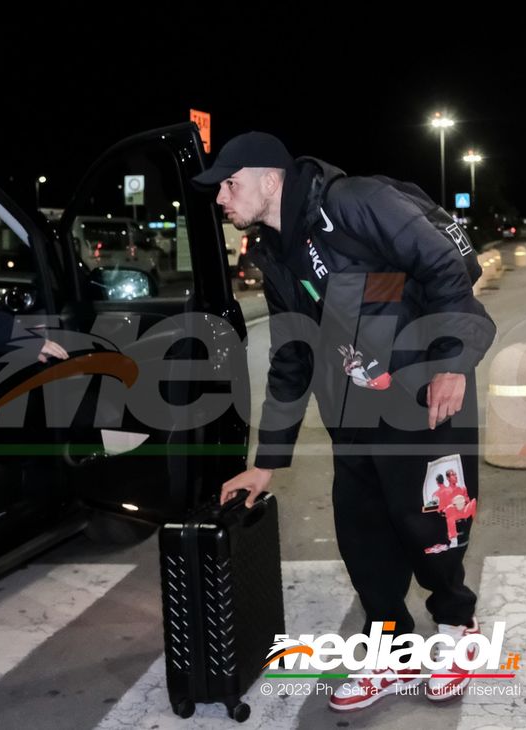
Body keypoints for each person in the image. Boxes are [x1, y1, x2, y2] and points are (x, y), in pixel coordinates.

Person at [199, 132, 496, 711]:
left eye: (229, 184)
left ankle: (459, 630)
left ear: (270, 178)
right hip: (352, 412)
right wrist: (266, 462)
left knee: (432, 525)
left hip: (421, 394)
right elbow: (291, 356)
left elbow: (446, 263)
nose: (222, 199)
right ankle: (393, 651)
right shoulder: (274, 253)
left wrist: (453, 363)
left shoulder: (354, 203)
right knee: (362, 536)